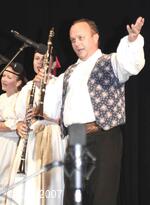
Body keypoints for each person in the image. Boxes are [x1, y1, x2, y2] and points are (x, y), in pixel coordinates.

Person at [59, 16, 145, 205]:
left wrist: (132, 42)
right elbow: (53, 104)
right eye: (73, 40)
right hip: (75, 140)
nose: (76, 43)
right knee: (73, 199)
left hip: (103, 136)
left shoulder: (111, 61)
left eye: (81, 37)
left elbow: (130, 65)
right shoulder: (70, 72)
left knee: (101, 197)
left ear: (95, 37)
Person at [5, 49, 66, 205]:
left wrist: (42, 112)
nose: (39, 62)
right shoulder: (26, 87)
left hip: (49, 137)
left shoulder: (58, 83)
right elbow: (18, 116)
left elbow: (59, 115)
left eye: (44, 59)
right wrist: (19, 125)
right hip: (29, 140)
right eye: (36, 58)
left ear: (52, 64)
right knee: (25, 185)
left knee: (45, 185)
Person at [0, 62, 27, 204]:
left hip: (11, 146)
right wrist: (11, 124)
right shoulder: (1, 99)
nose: (4, 79)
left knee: (7, 183)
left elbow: (20, 123)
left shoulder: (21, 98)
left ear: (18, 83)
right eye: (3, 75)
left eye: (9, 77)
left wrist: (11, 125)